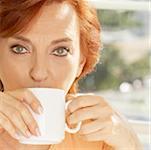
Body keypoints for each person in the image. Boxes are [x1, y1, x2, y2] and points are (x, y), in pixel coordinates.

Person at [0, 0, 143, 149]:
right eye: (20, 49)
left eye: (60, 51)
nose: (39, 72)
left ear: (81, 63)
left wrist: (130, 142)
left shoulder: (99, 136)